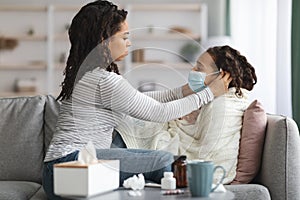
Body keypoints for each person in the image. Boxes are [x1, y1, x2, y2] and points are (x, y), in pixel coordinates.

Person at [42, 1, 231, 199]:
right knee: (163, 161)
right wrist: (209, 93)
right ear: (103, 39)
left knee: (136, 149)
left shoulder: (89, 75)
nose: (129, 43)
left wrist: (184, 91)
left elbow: (141, 100)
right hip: (69, 169)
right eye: (124, 37)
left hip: (59, 170)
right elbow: (159, 113)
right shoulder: (103, 80)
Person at [116, 45, 257, 184]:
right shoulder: (213, 101)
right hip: (123, 134)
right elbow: (139, 102)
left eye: (199, 68)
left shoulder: (223, 105)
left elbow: (206, 158)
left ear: (221, 75)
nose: (193, 70)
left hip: (124, 140)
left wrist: (178, 125)